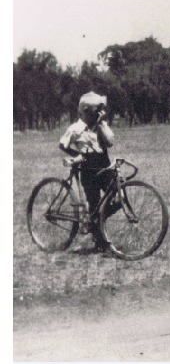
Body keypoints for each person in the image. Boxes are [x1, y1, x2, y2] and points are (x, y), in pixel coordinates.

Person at [59, 91, 115, 251]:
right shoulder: (76, 128)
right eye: (94, 112)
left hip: (104, 163)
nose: (97, 115)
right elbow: (62, 144)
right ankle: (98, 239)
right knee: (94, 202)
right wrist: (76, 155)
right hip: (87, 167)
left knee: (117, 196)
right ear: (84, 112)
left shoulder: (101, 125)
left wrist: (99, 125)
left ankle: (98, 220)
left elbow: (110, 143)